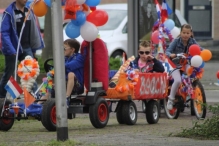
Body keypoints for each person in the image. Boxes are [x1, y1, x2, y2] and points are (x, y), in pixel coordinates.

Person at [0, 0, 44, 98]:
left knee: (31, 72)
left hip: (26, 47)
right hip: (12, 49)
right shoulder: (9, 12)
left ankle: (35, 98)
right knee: (9, 74)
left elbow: (33, 30)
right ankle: (1, 98)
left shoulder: (28, 10)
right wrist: (11, 50)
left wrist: (34, 49)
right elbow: (5, 33)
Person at [165, 24, 203, 110]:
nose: (185, 35)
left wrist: (205, 52)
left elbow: (199, 49)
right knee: (178, 80)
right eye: (184, 32)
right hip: (175, 65)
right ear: (181, 32)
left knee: (191, 75)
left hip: (186, 63)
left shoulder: (192, 41)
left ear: (191, 34)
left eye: (187, 33)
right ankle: (171, 99)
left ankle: (191, 92)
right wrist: (172, 55)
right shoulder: (176, 41)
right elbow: (167, 51)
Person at [39, 39, 85, 105]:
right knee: (48, 82)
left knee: (70, 74)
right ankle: (39, 103)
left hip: (77, 86)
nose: (63, 50)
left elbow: (69, 66)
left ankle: (67, 97)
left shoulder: (79, 58)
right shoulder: (64, 58)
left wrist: (58, 67)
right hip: (63, 84)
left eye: (64, 48)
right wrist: (52, 72)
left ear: (72, 49)